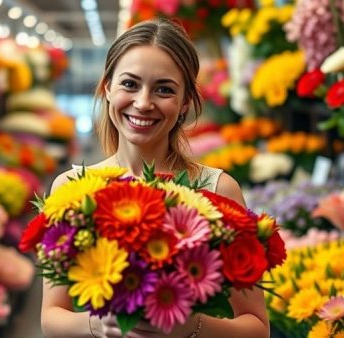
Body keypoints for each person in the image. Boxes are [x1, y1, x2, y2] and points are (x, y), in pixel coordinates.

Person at [41, 18, 269, 338]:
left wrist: (193, 327)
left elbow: (258, 328)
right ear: (107, 87)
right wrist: (97, 325)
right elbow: (51, 317)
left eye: (164, 89)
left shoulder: (217, 190)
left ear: (185, 101)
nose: (144, 103)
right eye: (130, 84)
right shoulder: (72, 188)